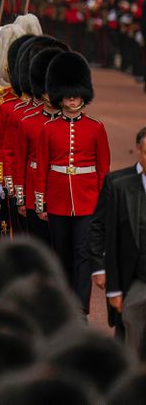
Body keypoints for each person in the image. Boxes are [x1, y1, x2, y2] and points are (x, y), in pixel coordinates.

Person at [31, 51, 109, 313]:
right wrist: (40, 202)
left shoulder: (96, 128)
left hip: (87, 201)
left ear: (82, 94)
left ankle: (80, 309)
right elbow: (41, 166)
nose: (72, 98)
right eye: (67, 94)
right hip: (57, 199)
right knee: (62, 255)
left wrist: (102, 202)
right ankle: (65, 305)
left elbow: (103, 169)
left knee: (83, 255)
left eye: (76, 93)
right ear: (59, 95)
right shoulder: (48, 129)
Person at [91, 126, 146, 355]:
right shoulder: (118, 183)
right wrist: (100, 269)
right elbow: (100, 227)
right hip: (132, 278)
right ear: (139, 151)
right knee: (131, 342)